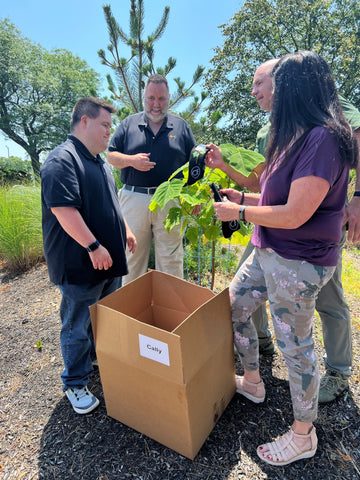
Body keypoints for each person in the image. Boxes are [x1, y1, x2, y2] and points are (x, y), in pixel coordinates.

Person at [207, 50, 358, 466]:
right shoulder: (292, 136)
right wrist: (244, 198)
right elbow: (277, 199)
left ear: (296, 88)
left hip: (299, 261)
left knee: (296, 346)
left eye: (275, 83)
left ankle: (303, 434)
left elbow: (295, 214)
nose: (265, 90)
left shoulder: (323, 138)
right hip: (269, 250)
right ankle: (253, 381)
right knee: (235, 307)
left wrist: (238, 213)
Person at [41, 97, 136, 414]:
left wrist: (126, 231)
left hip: (109, 265)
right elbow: (63, 209)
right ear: (84, 121)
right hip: (81, 264)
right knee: (77, 324)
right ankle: (75, 383)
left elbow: (112, 203)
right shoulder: (62, 160)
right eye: (104, 125)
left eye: (111, 126)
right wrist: (93, 246)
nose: (109, 132)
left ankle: (94, 361)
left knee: (102, 319)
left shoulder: (99, 162)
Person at [107, 74, 196, 285]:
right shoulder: (128, 124)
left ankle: (171, 314)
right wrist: (131, 161)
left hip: (170, 202)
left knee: (171, 261)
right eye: (151, 98)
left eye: (161, 99)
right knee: (131, 259)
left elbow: (195, 165)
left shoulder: (180, 126)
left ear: (169, 98)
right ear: (144, 98)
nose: (156, 104)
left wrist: (194, 198)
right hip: (133, 198)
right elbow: (111, 156)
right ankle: (131, 313)